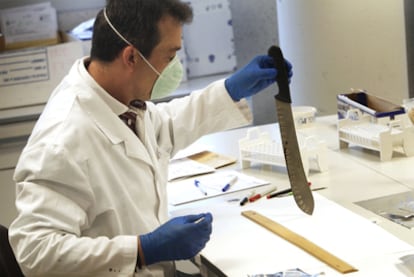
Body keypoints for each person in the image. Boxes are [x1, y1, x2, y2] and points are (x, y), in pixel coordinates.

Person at [8, 0, 292, 276]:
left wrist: (231, 90)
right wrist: (143, 250)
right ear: (131, 57)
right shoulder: (62, 139)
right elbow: (35, 251)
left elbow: (163, 129)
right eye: (169, 56)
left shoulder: (115, 99)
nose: (175, 67)